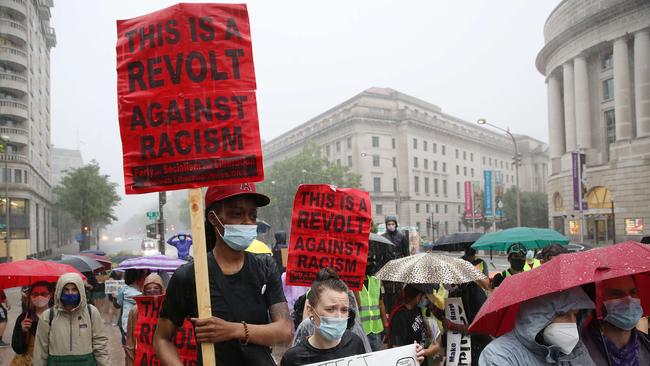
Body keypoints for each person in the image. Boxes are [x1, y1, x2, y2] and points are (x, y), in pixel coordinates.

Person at [154, 183, 292, 366]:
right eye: (237, 214)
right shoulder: (190, 276)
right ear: (213, 218)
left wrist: (233, 330)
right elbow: (161, 339)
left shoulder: (265, 267)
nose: (248, 222)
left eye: (253, 216)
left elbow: (285, 331)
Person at [479, 286, 596, 365]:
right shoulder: (499, 355)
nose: (572, 323)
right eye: (563, 314)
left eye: (575, 315)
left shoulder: (576, 349)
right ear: (538, 316)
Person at [33, 272, 110, 366]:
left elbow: (100, 343)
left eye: (74, 290)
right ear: (59, 291)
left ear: (80, 291)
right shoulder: (48, 316)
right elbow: (40, 350)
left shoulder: (91, 312)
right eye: (66, 290)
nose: (70, 293)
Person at [581, 275, 650, 365]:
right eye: (616, 294)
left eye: (633, 292)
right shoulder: (576, 354)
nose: (629, 300)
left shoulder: (647, 344)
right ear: (595, 301)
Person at [388, 285, 440, 362]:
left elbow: (424, 330)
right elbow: (397, 350)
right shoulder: (400, 317)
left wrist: (428, 330)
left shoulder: (417, 309)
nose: (426, 300)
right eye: (425, 297)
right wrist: (427, 352)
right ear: (418, 297)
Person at [125, 273, 165, 366]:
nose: (152, 290)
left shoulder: (168, 308)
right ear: (144, 290)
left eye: (156, 288)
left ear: (161, 289)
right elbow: (130, 342)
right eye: (148, 288)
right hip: (143, 357)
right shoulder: (135, 310)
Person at [10, 282, 53, 365]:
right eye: (35, 294)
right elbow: (18, 349)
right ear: (30, 296)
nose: (39, 297)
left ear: (50, 295)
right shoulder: (24, 318)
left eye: (43, 294)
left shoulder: (56, 316)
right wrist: (22, 331)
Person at [357, 258, 388, 352]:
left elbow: (381, 303)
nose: (370, 263)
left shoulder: (376, 281)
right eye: (367, 261)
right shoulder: (353, 283)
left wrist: (386, 324)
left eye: (369, 261)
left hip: (376, 329)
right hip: (360, 330)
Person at [381, 215, 409, 313]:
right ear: (386, 225)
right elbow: (380, 255)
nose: (391, 226)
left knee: (398, 289)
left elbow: (406, 253)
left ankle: (398, 309)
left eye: (393, 224)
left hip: (399, 267)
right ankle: (388, 310)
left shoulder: (402, 236)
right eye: (389, 224)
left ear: (396, 225)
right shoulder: (383, 237)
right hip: (387, 267)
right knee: (388, 290)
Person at [115, 268, 147, 346]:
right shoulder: (144, 293)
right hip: (142, 326)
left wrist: (115, 297)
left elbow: (118, 303)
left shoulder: (123, 289)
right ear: (139, 277)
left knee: (129, 349)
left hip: (126, 325)